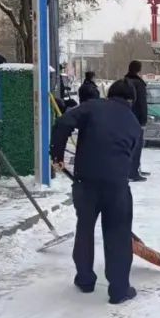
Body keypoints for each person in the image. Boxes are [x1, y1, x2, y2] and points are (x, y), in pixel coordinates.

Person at [51, 79, 140, 304]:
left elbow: (63, 122)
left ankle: (85, 280)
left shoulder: (93, 106)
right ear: (131, 100)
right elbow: (132, 163)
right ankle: (119, 290)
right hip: (117, 187)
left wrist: (58, 156)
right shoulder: (134, 123)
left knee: (85, 229)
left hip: (86, 183)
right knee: (118, 234)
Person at [124, 60, 148, 182]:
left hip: (124, 118)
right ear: (139, 69)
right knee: (137, 146)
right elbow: (142, 104)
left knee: (126, 146)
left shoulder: (124, 82)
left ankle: (129, 170)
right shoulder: (139, 84)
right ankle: (133, 172)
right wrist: (144, 120)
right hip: (137, 118)